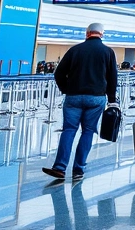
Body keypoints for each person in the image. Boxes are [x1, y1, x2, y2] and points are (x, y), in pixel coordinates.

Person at [43, 23, 118, 181]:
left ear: (87, 33)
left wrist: (66, 89)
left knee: (69, 130)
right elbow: (112, 78)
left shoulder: (75, 50)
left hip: (74, 96)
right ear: (102, 34)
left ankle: (60, 167)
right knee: (88, 131)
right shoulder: (108, 52)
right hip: (96, 97)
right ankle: (79, 169)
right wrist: (112, 100)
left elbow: (59, 73)